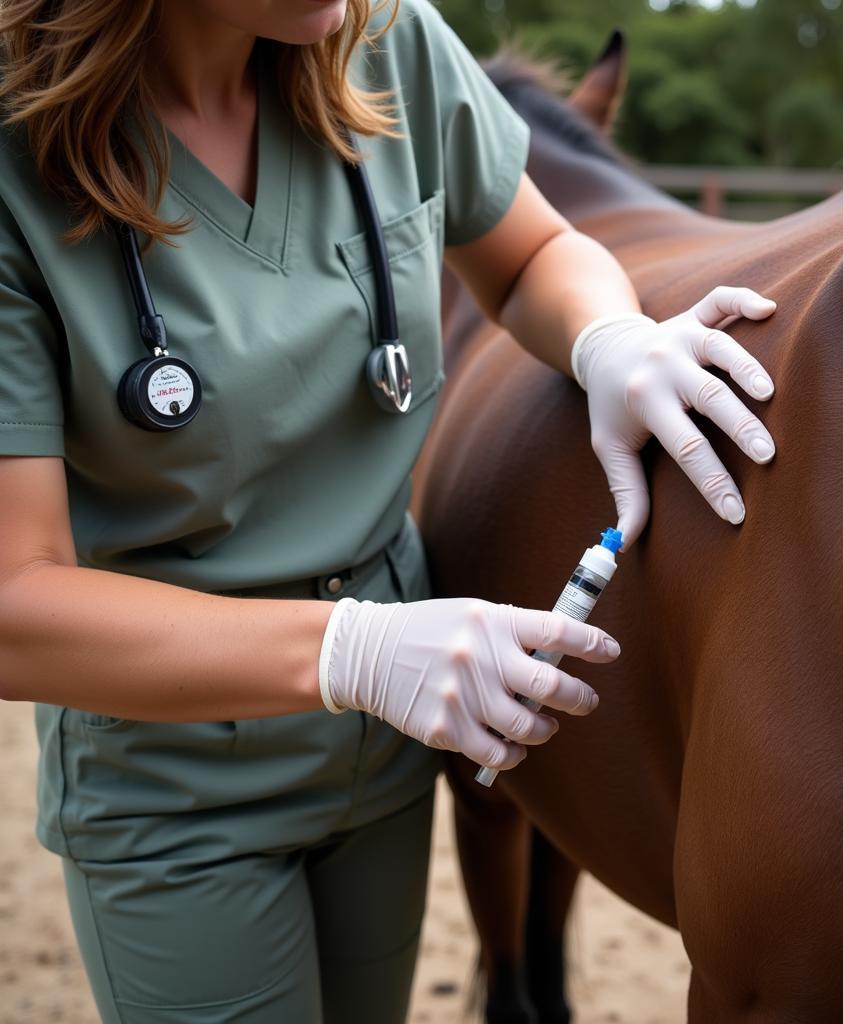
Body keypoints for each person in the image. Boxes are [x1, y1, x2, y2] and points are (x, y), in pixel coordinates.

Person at [0, 0, 779, 1020]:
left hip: (382, 760)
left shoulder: (381, 40)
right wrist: (354, 650)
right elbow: (16, 603)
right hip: (176, 784)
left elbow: (533, 253)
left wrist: (606, 338)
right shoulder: (20, 161)